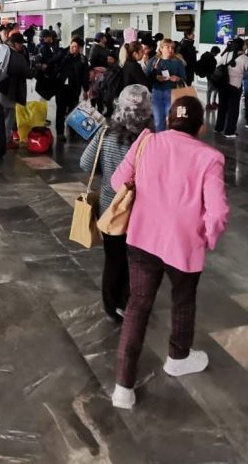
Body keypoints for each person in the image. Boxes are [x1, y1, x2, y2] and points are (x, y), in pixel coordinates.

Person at [110, 96, 229, 410]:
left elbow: (117, 181)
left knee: (138, 306)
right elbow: (216, 213)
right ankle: (178, 356)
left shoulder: (147, 142)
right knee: (183, 300)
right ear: (200, 127)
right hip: (184, 244)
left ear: (168, 120)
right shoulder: (210, 157)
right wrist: (208, 237)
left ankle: (123, 386)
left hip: (143, 236)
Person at [80, 85, 153, 323]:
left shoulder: (106, 133)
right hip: (139, 210)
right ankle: (129, 301)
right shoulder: (150, 140)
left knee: (113, 259)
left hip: (109, 208)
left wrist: (107, 169)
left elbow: (85, 163)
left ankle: (111, 306)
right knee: (137, 260)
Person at [0, 32, 32, 148]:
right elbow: (28, 73)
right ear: (16, 43)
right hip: (2, 91)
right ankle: (6, 140)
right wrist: (37, 69)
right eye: (21, 44)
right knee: (9, 114)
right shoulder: (15, 56)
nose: (22, 47)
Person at [144, 39, 186, 132]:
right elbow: (147, 77)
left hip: (172, 92)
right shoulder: (154, 61)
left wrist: (177, 78)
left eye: (172, 48)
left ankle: (168, 141)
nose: (170, 50)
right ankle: (160, 141)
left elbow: (184, 77)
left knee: (170, 120)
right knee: (158, 121)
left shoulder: (177, 62)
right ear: (161, 49)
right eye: (168, 47)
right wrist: (156, 77)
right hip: (156, 92)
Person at [52, 36, 89, 141]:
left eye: (75, 47)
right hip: (61, 88)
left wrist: (86, 90)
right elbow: (53, 63)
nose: (72, 48)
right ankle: (60, 133)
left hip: (74, 89)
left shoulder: (82, 59)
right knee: (60, 111)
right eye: (72, 46)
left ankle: (72, 130)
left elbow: (85, 75)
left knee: (73, 110)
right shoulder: (63, 54)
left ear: (80, 48)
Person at [212, 39, 248, 138]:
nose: (246, 46)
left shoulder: (226, 54)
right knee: (233, 109)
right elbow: (247, 72)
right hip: (235, 86)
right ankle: (229, 131)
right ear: (241, 46)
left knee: (222, 107)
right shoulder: (244, 58)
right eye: (245, 44)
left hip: (223, 85)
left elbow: (218, 66)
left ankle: (218, 128)